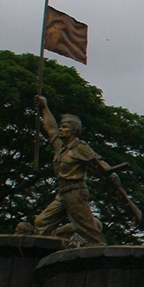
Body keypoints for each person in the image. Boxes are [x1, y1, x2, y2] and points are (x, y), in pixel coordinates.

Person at [32, 95, 109, 245]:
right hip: (62, 193)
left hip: (76, 193)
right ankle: (49, 250)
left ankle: (100, 251)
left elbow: (98, 162)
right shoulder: (61, 146)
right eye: (61, 126)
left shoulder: (80, 148)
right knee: (41, 222)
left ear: (74, 131)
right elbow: (50, 128)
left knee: (87, 229)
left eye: (65, 127)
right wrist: (44, 107)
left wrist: (107, 170)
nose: (61, 129)